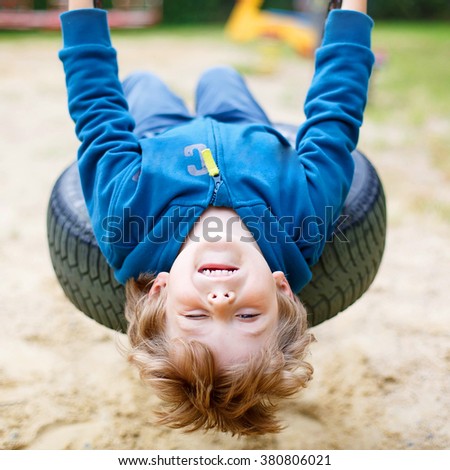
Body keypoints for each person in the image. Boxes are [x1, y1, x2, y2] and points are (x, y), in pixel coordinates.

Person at [60, 0, 374, 435]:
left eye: (195, 318)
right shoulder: (306, 222)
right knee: (221, 75)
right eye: (248, 316)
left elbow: (97, 116)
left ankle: (152, 88)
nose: (221, 302)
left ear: (159, 292)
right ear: (282, 287)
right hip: (242, 127)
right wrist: (352, 13)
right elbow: (335, 120)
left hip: (156, 136)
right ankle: (216, 81)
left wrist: (80, 11)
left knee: (143, 83)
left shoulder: (125, 221)